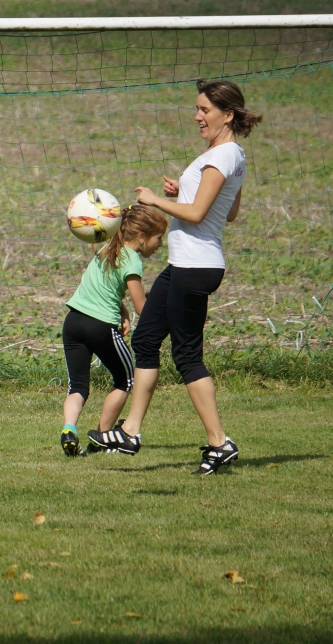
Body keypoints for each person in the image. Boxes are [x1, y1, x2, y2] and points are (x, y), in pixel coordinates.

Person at [89, 79, 261, 476]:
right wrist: (183, 190)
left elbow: (198, 214)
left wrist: (155, 200)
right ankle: (130, 432)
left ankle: (219, 442)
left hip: (196, 266)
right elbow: (228, 212)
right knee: (146, 338)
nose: (197, 116)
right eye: (197, 108)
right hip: (186, 264)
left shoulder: (223, 155)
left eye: (205, 110)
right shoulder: (230, 154)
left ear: (227, 115)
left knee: (187, 356)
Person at [60, 205, 167, 457]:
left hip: (73, 322)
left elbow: (104, 286)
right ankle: (101, 438)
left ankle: (69, 429)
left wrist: (122, 310)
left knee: (78, 386)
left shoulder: (108, 247)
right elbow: (142, 307)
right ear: (141, 236)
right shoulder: (133, 260)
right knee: (125, 379)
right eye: (158, 237)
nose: (161, 244)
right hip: (100, 326)